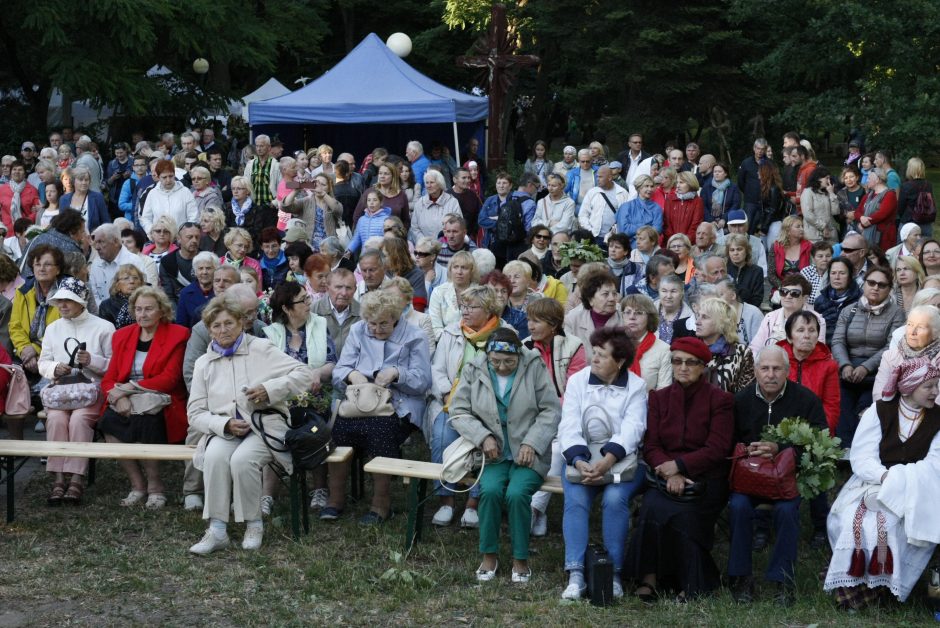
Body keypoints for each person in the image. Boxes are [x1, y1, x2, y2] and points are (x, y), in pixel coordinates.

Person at [186, 293, 315, 554]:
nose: (224, 330)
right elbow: (195, 413)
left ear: (240, 322)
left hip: (265, 426)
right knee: (213, 456)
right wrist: (223, 425)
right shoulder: (203, 364)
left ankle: (254, 524)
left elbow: (303, 374)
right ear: (209, 330)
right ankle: (217, 529)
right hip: (226, 430)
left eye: (229, 323)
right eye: (216, 326)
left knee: (242, 460)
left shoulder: (260, 348)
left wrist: (269, 389)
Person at [823, 358, 940, 609]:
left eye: (937, 385)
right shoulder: (880, 411)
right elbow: (862, 457)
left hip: (918, 490)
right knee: (853, 520)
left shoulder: (938, 419)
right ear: (909, 387)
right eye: (928, 386)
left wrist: (900, 480)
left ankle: (885, 593)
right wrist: (885, 477)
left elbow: (935, 463)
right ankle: (854, 590)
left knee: (895, 526)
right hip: (872, 482)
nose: (935, 392)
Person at [449, 328, 561, 584]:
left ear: (519, 357)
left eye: (509, 362)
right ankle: (489, 554)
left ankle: (520, 558)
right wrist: (482, 437)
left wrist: (532, 443)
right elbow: (458, 411)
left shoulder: (534, 366)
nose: (501, 367)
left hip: (529, 453)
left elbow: (550, 411)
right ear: (488, 356)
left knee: (517, 493)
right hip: (493, 453)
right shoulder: (474, 370)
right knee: (488, 491)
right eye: (495, 361)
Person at [627, 336, 734, 601]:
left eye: (690, 362)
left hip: (705, 479)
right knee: (651, 506)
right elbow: (650, 445)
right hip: (664, 476)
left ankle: (693, 582)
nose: (683, 367)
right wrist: (670, 471)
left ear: (703, 367)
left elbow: (718, 448)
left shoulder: (720, 400)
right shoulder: (659, 399)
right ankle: (648, 578)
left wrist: (682, 466)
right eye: (677, 361)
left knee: (684, 514)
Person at [728, 345, 828, 606]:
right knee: (738, 506)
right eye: (765, 368)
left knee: (786, 511)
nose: (770, 374)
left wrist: (781, 450)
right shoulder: (741, 400)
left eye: (776, 369)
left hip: (788, 480)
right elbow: (728, 442)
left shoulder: (806, 400)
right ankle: (741, 577)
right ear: (756, 371)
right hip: (749, 478)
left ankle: (782, 578)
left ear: (787, 371)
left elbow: (821, 444)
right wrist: (747, 450)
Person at [323, 291, 432, 524]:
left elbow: (423, 381)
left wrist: (397, 373)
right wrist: (352, 374)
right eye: (371, 323)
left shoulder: (415, 336)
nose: (376, 329)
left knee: (379, 429)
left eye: (383, 324)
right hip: (358, 402)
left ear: (395, 317)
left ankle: (381, 504)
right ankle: (335, 499)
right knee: (339, 430)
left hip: (399, 404)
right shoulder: (358, 330)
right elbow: (339, 370)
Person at [557, 327, 647, 600]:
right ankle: (576, 573)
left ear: (619, 361)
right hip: (581, 459)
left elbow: (634, 428)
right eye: (593, 353)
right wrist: (579, 460)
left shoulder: (636, 386)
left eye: (601, 355)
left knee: (615, 499)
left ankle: (614, 574)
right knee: (576, 499)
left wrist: (608, 461)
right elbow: (569, 424)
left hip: (622, 462)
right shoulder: (577, 381)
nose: (593, 359)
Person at [98, 287, 190, 510]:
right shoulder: (122, 336)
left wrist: (129, 388)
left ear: (162, 310)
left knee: (145, 424)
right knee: (109, 424)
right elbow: (109, 378)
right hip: (126, 399)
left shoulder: (178, 334)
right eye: (138, 309)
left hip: (161, 400)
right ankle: (137, 484)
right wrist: (118, 398)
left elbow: (169, 379)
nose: (142, 314)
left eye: (149, 309)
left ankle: (156, 486)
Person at [428, 284, 506, 527]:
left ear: (489, 309)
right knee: (441, 436)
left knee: (483, 444)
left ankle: (474, 502)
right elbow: (437, 370)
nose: (465, 311)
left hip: (489, 407)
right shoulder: (452, 332)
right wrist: (444, 395)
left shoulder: (505, 334)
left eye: (472, 307)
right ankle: (446, 500)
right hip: (452, 404)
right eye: (463, 306)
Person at [38, 278, 114, 505]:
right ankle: (59, 479)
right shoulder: (53, 328)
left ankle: (76, 480)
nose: (62, 305)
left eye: (68, 301)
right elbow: (43, 363)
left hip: (91, 391)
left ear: (82, 302)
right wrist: (54, 368)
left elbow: (114, 365)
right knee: (56, 420)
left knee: (79, 420)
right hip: (61, 391)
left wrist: (92, 360)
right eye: (59, 300)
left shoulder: (103, 327)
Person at [833, 266, 905, 445]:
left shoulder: (897, 313)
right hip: (847, 371)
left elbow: (892, 346)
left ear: (889, 289)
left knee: (864, 408)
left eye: (882, 285)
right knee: (843, 406)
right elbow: (838, 341)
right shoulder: (848, 310)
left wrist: (866, 367)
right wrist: (845, 364)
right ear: (864, 284)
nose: (875, 288)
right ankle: (843, 451)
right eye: (871, 283)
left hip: (878, 373)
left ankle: (863, 449)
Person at [873, 305, 940, 402]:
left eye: (920, 327)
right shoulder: (890, 356)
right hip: (891, 412)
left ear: (935, 333)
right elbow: (879, 395)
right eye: (910, 324)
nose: (912, 332)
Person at [750, 274, 826, 352]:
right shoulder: (770, 318)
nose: (788, 296)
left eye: (794, 293)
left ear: (805, 298)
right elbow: (755, 348)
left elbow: (819, 352)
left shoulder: (817, 320)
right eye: (784, 291)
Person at [696, 297, 755, 394]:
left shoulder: (741, 352)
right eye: (698, 316)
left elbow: (745, 396)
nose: (697, 322)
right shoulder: (690, 350)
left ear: (722, 322)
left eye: (705, 317)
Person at [563, 271, 625, 358]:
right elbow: (566, 355)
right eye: (605, 294)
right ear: (590, 299)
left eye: (614, 294)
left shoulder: (625, 316)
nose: (612, 299)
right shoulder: (573, 319)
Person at [620, 294, 671, 391]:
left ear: (649, 317)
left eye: (638, 313)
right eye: (627, 312)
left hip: (647, 404)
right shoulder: (613, 345)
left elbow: (663, 390)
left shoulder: (663, 349)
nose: (632, 317)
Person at [285, 173, 343, 252]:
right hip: (309, 246)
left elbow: (338, 210)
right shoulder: (306, 201)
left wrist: (323, 194)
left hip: (328, 248)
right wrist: (296, 190)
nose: (319, 186)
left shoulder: (332, 202)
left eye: (323, 184)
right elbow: (286, 206)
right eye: (316, 183)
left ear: (329, 188)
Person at [428, 250, 478, 340]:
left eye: (464, 268)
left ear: (472, 271)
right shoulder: (438, 292)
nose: (459, 272)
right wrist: (451, 341)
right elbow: (435, 327)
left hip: (473, 342)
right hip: (444, 343)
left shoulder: (479, 293)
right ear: (450, 269)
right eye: (456, 267)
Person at [140, 161, 198, 235]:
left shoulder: (185, 192)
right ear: (158, 177)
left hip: (181, 239)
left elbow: (193, 216)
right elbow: (145, 218)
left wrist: (186, 234)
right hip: (159, 239)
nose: (168, 180)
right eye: (164, 177)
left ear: (174, 175)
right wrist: (153, 233)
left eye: (171, 176)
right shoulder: (152, 194)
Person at [312, 269, 360, 357]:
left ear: (355, 289)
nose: (344, 293)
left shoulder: (362, 313)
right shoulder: (314, 311)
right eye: (338, 287)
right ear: (327, 288)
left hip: (353, 367)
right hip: (322, 366)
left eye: (348, 288)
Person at [814, 257, 862, 345]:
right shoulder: (820, 300)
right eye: (833, 273)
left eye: (842, 273)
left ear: (850, 275)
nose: (837, 277)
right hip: (824, 346)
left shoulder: (861, 299)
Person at [224, 176, 277, 249]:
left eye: (239, 188)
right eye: (233, 188)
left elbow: (257, 232)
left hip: (251, 247)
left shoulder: (257, 210)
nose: (235, 191)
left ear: (248, 191)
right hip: (231, 245)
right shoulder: (226, 207)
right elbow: (224, 229)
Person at [615, 175, 663, 248]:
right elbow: (623, 230)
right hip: (627, 248)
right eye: (646, 186)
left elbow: (657, 230)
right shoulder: (626, 206)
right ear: (639, 188)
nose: (650, 189)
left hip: (649, 249)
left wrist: (634, 229)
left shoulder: (656, 208)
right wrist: (647, 226)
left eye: (652, 186)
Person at [768, 215, 812, 294]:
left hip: (803, 290)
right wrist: (784, 288)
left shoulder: (809, 247)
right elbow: (771, 274)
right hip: (781, 289)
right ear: (788, 230)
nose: (802, 229)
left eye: (802, 226)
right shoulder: (775, 247)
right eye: (798, 227)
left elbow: (813, 272)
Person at [175, 252, 219, 328]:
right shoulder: (185, 293)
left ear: (216, 270)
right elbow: (181, 325)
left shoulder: (223, 290)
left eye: (208, 268)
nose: (204, 272)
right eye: (200, 268)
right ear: (195, 272)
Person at [858, 168, 898, 250]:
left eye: (869, 178)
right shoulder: (868, 195)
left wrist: (864, 224)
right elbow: (858, 212)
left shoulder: (890, 195)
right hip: (868, 234)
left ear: (878, 180)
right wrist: (861, 218)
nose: (866, 181)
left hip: (883, 236)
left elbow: (882, 214)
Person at [98, 264, 146, 330]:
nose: (132, 281)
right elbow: (106, 332)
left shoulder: (149, 301)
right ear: (117, 285)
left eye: (135, 278)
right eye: (126, 278)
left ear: (141, 282)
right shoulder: (107, 305)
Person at [800, 166, 840, 242]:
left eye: (829, 178)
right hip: (814, 236)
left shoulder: (827, 192)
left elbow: (835, 212)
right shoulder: (808, 192)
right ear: (818, 178)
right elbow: (808, 214)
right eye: (826, 178)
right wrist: (823, 227)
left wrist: (831, 193)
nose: (829, 181)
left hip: (831, 233)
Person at [662, 171, 704, 244]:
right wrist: (673, 240)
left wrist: (685, 242)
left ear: (690, 183)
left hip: (689, 244)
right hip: (671, 243)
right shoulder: (670, 199)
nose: (678, 185)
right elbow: (666, 223)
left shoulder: (697, 201)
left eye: (681, 183)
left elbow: (696, 225)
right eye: (677, 182)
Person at [897, 157, 934, 237]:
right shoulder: (928, 185)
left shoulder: (906, 186)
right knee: (924, 247)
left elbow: (900, 207)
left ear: (910, 169)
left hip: (909, 222)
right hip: (925, 222)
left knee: (903, 247)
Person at [725, 233, 763, 308]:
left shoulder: (757, 271)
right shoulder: (723, 269)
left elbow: (757, 299)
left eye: (739, 249)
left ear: (747, 250)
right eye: (732, 250)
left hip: (747, 312)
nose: (735, 253)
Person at [700, 162, 741, 230]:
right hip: (710, 223)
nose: (716, 173)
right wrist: (710, 220)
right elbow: (703, 205)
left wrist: (724, 219)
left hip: (727, 223)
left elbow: (735, 205)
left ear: (725, 173)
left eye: (719, 171)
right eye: (715, 171)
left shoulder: (733, 187)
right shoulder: (706, 187)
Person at [654, 274, 692, 344]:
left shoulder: (690, 319)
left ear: (682, 293)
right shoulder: (648, 312)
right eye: (664, 291)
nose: (668, 296)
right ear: (659, 292)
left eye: (673, 291)